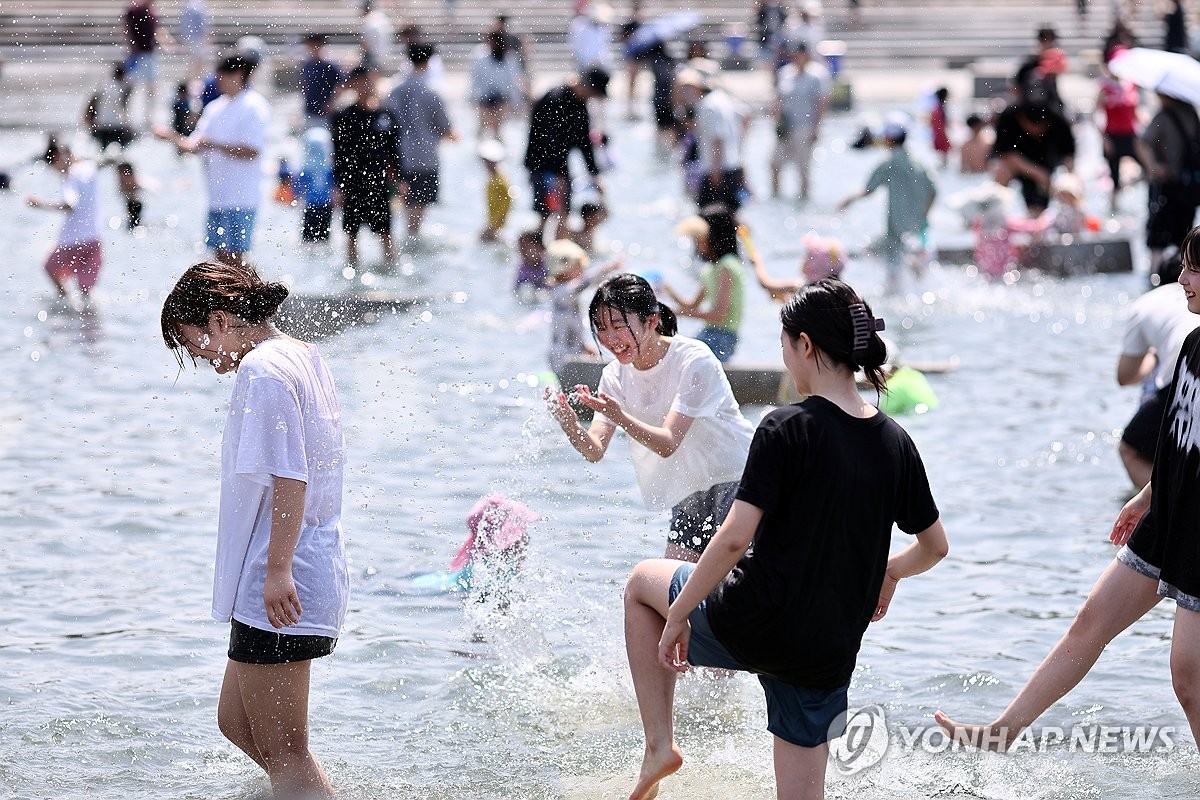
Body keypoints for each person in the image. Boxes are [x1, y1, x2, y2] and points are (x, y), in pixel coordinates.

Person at [622, 278, 948, 800]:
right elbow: (935, 547)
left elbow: (732, 541)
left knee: (642, 584)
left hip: (753, 618)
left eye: (784, 348)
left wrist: (680, 613)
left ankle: (660, 745)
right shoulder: (896, 442)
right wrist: (890, 572)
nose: (786, 362)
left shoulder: (784, 427)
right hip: (826, 647)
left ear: (806, 346)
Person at [936, 227, 1200, 754]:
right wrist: (1145, 498)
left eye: (1193, 269)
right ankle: (1001, 733)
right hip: (1168, 515)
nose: (1182, 279)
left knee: (1187, 676)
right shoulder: (1192, 345)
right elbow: (1177, 439)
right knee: (1089, 621)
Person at [160, 260, 348, 799]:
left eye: (193, 338)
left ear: (219, 321)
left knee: (286, 751)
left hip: (285, 575)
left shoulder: (262, 370)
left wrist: (278, 569)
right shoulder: (297, 352)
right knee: (236, 723)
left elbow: (293, 475)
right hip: (294, 565)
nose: (197, 354)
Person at [544, 273, 755, 562]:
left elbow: (668, 443)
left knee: (734, 587)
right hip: (689, 488)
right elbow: (594, 450)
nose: (610, 339)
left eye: (618, 326)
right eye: (601, 329)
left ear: (652, 320)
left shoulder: (693, 359)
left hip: (737, 479)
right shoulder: (614, 376)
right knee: (672, 591)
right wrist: (569, 424)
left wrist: (620, 416)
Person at [154, 51, 269, 268]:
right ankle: (229, 300)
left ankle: (253, 298)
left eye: (223, 75)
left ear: (238, 75)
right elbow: (195, 145)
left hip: (242, 197)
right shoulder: (215, 107)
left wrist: (215, 145)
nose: (218, 80)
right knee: (219, 260)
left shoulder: (254, 105)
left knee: (237, 257)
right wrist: (171, 136)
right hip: (217, 197)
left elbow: (253, 150)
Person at [1117, 255, 1200, 488]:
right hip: (1186, 369)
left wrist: (1153, 356)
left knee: (1130, 449)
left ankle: (1163, 513)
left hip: (1184, 375)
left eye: (1192, 270)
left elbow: (1124, 376)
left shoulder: (1146, 303)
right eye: (1184, 269)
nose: (1183, 280)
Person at [837, 119, 937, 291]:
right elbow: (933, 191)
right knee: (912, 271)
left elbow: (868, 190)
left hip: (895, 228)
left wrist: (848, 200)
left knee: (873, 254)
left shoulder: (888, 164)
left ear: (889, 138)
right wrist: (924, 215)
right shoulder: (919, 163)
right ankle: (912, 264)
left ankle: (901, 275)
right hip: (917, 227)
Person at [523, 69, 609, 241]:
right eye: (592, 93)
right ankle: (536, 257)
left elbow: (584, 143)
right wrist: (558, 175)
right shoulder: (554, 99)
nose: (591, 97)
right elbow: (549, 142)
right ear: (585, 85)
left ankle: (560, 257)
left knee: (565, 214)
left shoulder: (580, 104)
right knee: (545, 215)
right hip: (541, 166)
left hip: (560, 168)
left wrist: (595, 174)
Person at [332, 65, 400, 266]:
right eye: (361, 81)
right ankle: (352, 271)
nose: (366, 85)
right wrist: (338, 185)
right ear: (352, 85)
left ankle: (391, 269)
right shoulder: (343, 116)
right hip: (353, 183)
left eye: (369, 80)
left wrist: (399, 180)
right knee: (351, 233)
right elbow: (338, 154)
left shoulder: (385, 114)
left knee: (386, 232)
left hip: (379, 183)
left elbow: (394, 152)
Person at [387, 43, 456, 239]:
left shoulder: (395, 90)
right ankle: (412, 236)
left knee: (405, 202)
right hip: (425, 155)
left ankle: (407, 235)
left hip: (399, 154)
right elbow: (446, 129)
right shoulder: (431, 93)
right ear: (428, 62)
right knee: (420, 206)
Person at [26, 139, 103, 304]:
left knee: (50, 267)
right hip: (94, 239)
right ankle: (88, 320)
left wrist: (40, 204)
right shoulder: (88, 167)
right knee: (86, 291)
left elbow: (70, 204)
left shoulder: (71, 175)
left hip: (73, 242)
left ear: (58, 157)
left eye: (54, 165)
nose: (57, 170)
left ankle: (66, 301)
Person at [663, 210, 746, 362]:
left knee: (678, 359)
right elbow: (693, 304)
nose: (696, 243)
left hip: (723, 336)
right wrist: (667, 291)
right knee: (672, 354)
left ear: (713, 236)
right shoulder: (710, 268)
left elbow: (719, 315)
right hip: (709, 331)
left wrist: (680, 312)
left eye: (699, 238)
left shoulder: (727, 266)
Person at [992, 74, 1076, 215]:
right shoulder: (1008, 116)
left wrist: (1069, 184)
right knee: (1000, 171)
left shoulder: (1057, 118)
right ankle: (999, 214)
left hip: (1048, 168)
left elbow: (1069, 156)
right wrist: (1036, 173)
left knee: (1066, 187)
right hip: (1017, 166)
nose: (1037, 129)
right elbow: (1004, 153)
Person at [1138, 92, 1200, 274]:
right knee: (1185, 235)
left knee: (1157, 237)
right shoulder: (1192, 115)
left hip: (1166, 185)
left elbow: (1142, 144)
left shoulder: (1163, 116)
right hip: (1190, 185)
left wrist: (1154, 168)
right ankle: (1184, 276)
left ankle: (1155, 276)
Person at [680, 65, 750, 213]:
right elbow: (746, 116)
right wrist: (738, 148)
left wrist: (715, 172)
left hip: (717, 170)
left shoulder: (707, 106)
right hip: (733, 165)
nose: (685, 93)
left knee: (706, 219)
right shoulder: (724, 99)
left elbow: (718, 139)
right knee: (730, 219)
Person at [545, 239, 618, 372]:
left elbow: (570, 331)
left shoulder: (568, 295)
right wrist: (607, 268)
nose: (582, 270)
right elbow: (584, 282)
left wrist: (583, 346)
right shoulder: (561, 291)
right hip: (563, 358)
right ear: (564, 269)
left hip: (572, 354)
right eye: (578, 267)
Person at [771, 42, 831, 202]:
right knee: (775, 164)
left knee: (803, 168)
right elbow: (778, 99)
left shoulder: (816, 75)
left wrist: (817, 128)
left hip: (804, 127)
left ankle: (804, 199)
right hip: (786, 127)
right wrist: (776, 120)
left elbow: (821, 103)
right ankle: (776, 196)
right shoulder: (785, 73)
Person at [469, 30, 523, 141]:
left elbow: (513, 82)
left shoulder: (510, 59)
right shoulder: (480, 57)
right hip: (484, 99)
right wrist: (474, 98)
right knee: (482, 130)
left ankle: (498, 149)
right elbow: (475, 80)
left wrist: (516, 102)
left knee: (498, 131)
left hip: (502, 99)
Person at [123, 0, 167, 128]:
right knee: (129, 86)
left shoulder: (152, 11)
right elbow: (126, 28)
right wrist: (130, 46)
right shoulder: (133, 10)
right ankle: (126, 116)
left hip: (149, 53)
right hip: (136, 54)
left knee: (152, 87)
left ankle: (149, 117)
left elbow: (156, 31)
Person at [294, 127, 335, 243]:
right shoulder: (328, 168)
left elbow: (298, 189)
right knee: (323, 238)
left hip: (311, 205)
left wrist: (297, 198)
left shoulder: (305, 169)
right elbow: (334, 188)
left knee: (308, 238)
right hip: (325, 206)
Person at [85, 62, 135, 151]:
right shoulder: (123, 87)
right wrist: (127, 123)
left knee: (103, 149)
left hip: (102, 123)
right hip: (116, 124)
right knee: (119, 149)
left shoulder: (104, 85)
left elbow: (93, 102)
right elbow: (124, 107)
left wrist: (88, 117)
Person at [299, 33, 344, 129]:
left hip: (324, 112)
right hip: (309, 110)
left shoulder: (329, 66)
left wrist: (332, 103)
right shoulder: (307, 64)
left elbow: (342, 85)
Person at [479, 138, 511, 243]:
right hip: (493, 224)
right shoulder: (493, 179)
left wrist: (494, 226)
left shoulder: (500, 181)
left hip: (497, 227)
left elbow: (506, 204)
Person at [178, 0, 213, 83]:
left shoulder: (189, 6)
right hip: (197, 37)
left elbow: (184, 24)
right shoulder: (197, 6)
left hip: (193, 37)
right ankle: (196, 78)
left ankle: (192, 79)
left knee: (195, 58)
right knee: (198, 59)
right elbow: (203, 24)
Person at [359, 0, 393, 70]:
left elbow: (366, 44)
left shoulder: (368, 20)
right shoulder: (382, 17)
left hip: (373, 56)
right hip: (385, 54)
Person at [514, 231, 548, 300]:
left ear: (539, 248)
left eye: (526, 247)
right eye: (520, 248)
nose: (522, 251)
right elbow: (516, 289)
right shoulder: (522, 268)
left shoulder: (548, 263)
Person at [115, 161, 144, 229]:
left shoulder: (141, 188)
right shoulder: (123, 189)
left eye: (123, 175)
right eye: (119, 176)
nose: (121, 180)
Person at [930, 87, 951, 169]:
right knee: (944, 158)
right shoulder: (940, 108)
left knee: (941, 158)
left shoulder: (936, 107)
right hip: (941, 135)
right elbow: (941, 124)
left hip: (937, 134)